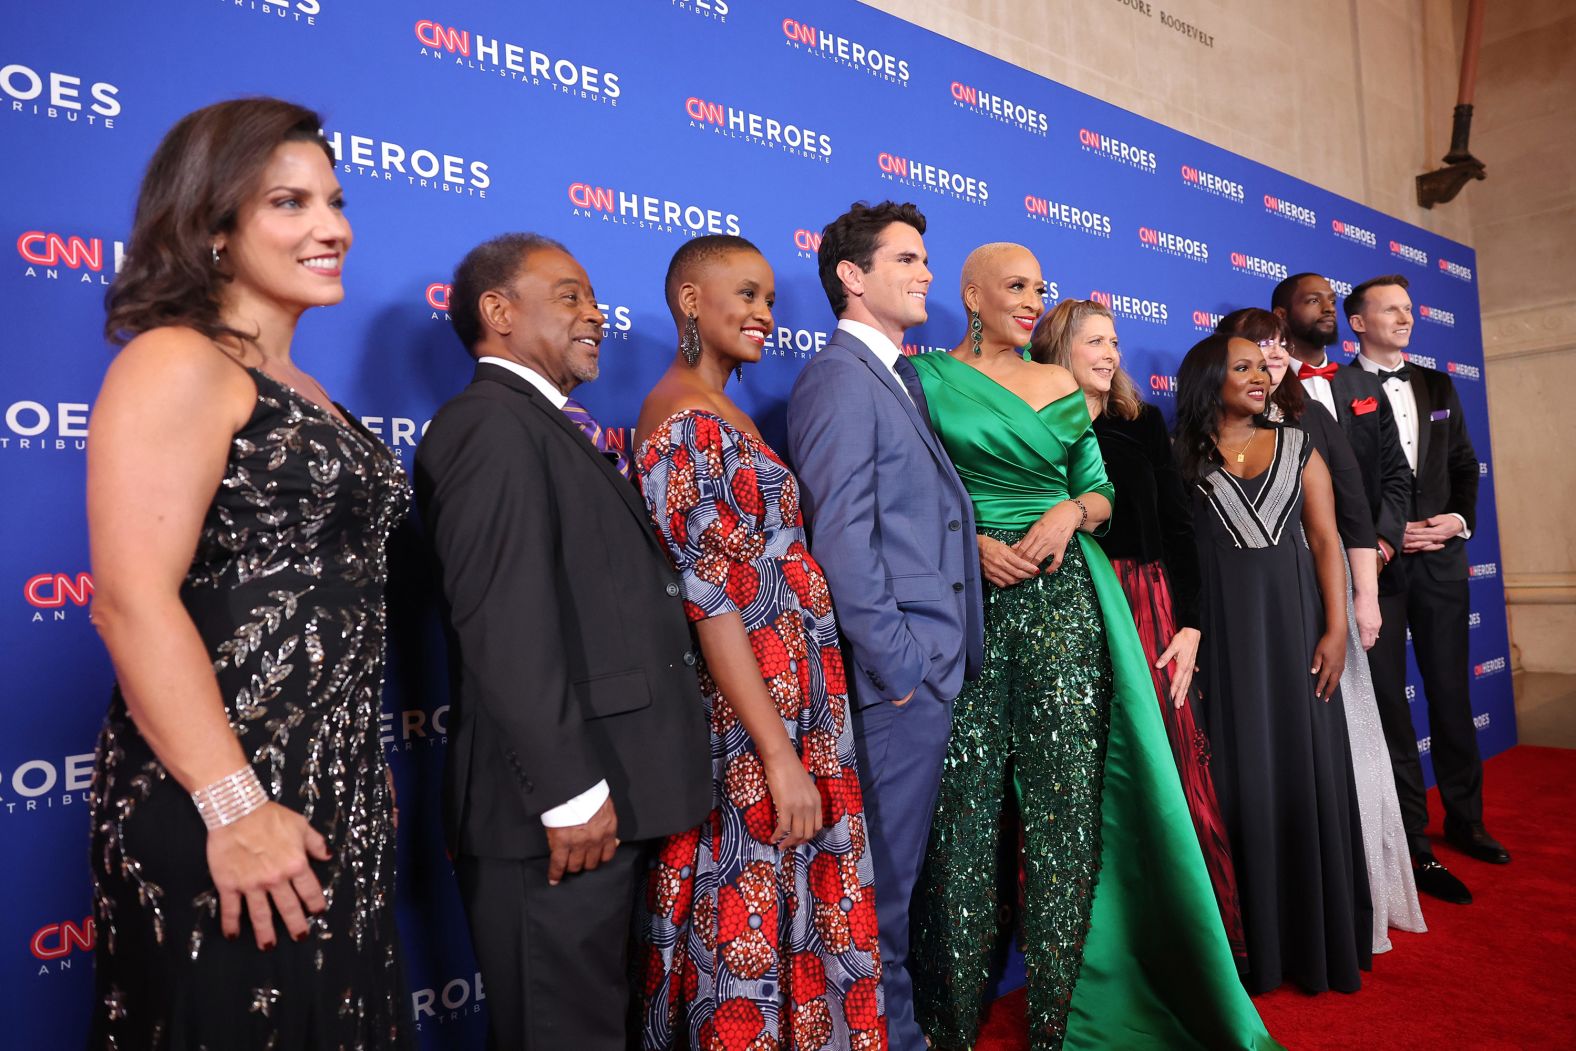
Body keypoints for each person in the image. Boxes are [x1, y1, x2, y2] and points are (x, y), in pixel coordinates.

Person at [87, 98, 409, 1047]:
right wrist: (234, 806)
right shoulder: (175, 362)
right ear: (215, 230)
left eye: (335, 201)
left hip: (327, 796)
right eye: (289, 202)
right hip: (221, 799)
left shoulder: (308, 390)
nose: (332, 227)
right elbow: (129, 598)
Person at [908, 245, 1275, 1050]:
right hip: (968, 608)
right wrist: (967, 539)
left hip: (1064, 603)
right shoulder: (925, 379)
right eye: (1015, 286)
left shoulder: (1060, 387)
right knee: (964, 818)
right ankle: (946, 1023)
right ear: (970, 294)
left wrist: (1072, 514)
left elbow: (1100, 490)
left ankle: (1057, 1024)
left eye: (1040, 288)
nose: (1032, 300)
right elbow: (915, 491)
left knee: (1066, 818)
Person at [414, 233, 711, 1051]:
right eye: (570, 295)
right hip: (554, 815)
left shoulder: (544, 425)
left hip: (608, 799)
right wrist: (570, 793)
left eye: (592, 296)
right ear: (498, 313)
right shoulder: (487, 427)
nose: (596, 313)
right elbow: (503, 626)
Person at [631, 235, 884, 1050]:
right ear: (690, 301)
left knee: (799, 880)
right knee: (752, 882)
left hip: (801, 691)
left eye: (770, 299)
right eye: (744, 295)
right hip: (752, 712)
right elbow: (707, 599)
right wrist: (776, 753)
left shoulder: (724, 407)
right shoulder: (676, 416)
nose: (764, 314)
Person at [785, 201, 983, 1051]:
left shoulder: (897, 376)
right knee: (882, 895)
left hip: (925, 675)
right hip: (894, 685)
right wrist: (903, 668)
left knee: (895, 890)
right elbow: (843, 541)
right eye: (906, 259)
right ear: (852, 277)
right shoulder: (838, 377)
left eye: (926, 259)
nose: (926, 272)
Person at [1030, 298, 1245, 962]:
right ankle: (1103, 957)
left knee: (1172, 766)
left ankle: (1202, 949)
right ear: (1059, 348)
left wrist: (1191, 624)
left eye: (1114, 340)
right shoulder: (1036, 426)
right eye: (1095, 340)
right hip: (1073, 609)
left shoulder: (1142, 421)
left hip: (1148, 606)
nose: (1111, 353)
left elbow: (1179, 526)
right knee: (1091, 779)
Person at [1218, 308, 1425, 951]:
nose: (1268, 359)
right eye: (1252, 351)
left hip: (1317, 612)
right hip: (1249, 629)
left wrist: (1360, 601)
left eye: (1275, 347)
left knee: (1342, 762)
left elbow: (1347, 521)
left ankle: (1352, 899)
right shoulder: (1201, 442)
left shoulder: (1312, 421)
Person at [1175, 332, 1371, 996]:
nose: (1260, 376)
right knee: (1234, 776)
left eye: (1262, 366)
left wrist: (1337, 627)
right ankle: (1248, 944)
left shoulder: (1298, 443)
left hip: (1296, 634)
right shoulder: (1184, 458)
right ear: (1210, 378)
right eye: (1242, 367)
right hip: (1222, 646)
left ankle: (1314, 941)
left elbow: (1325, 538)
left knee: (1302, 767)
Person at [1346, 273, 1506, 904]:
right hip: (1378, 566)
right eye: (1390, 310)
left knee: (1449, 694)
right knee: (1389, 705)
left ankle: (1466, 821)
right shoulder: (1340, 387)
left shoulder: (1439, 384)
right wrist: (1390, 532)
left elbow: (1464, 466)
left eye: (1408, 309)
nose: (1405, 318)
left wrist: (1458, 520)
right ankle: (1412, 840)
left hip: (1442, 560)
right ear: (1357, 322)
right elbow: (1346, 478)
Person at [1270, 273, 1410, 579]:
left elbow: (1396, 471)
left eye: (1332, 300)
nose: (1329, 308)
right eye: (1313, 300)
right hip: (1302, 567)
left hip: (1379, 566)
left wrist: (1383, 546)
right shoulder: (1266, 387)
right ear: (1281, 315)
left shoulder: (1365, 383)